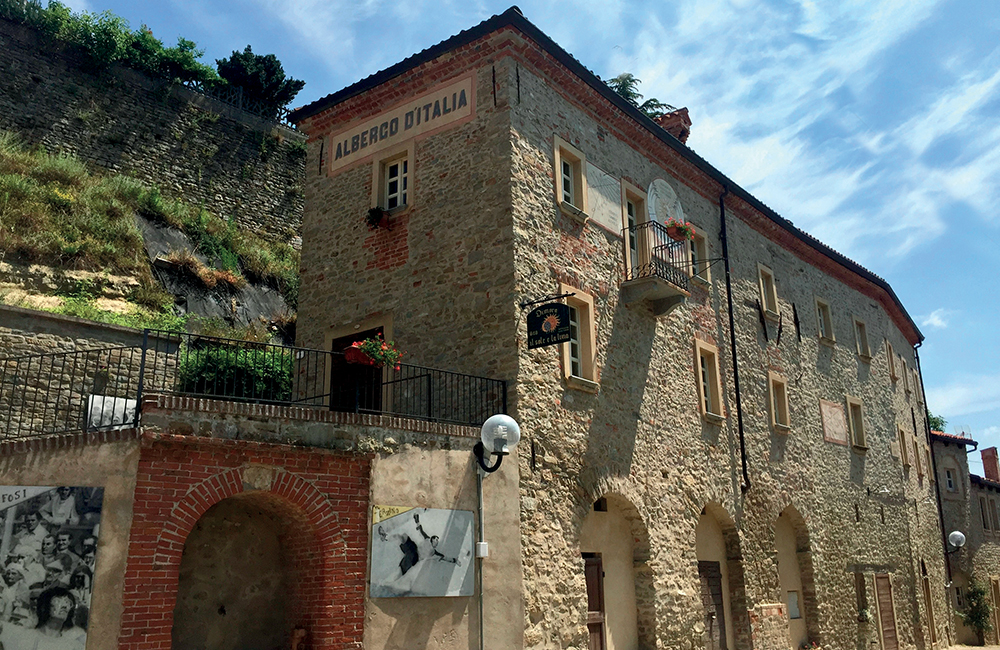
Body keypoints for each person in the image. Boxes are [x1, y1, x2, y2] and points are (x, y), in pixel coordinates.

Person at [377, 511, 464, 587]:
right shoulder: (427, 539)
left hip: (414, 557)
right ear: (432, 539)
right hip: (412, 548)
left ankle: (385, 582)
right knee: (403, 536)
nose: (437, 541)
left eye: (438, 540)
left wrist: (454, 560)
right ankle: (386, 537)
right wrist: (417, 520)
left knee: (400, 570)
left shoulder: (434, 552)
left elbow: (444, 558)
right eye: (436, 539)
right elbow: (421, 530)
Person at [0, 587, 86, 650]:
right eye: (58, 601)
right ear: (44, 607)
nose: (64, 606)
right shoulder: (22, 636)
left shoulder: (73, 647)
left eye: (68, 603)